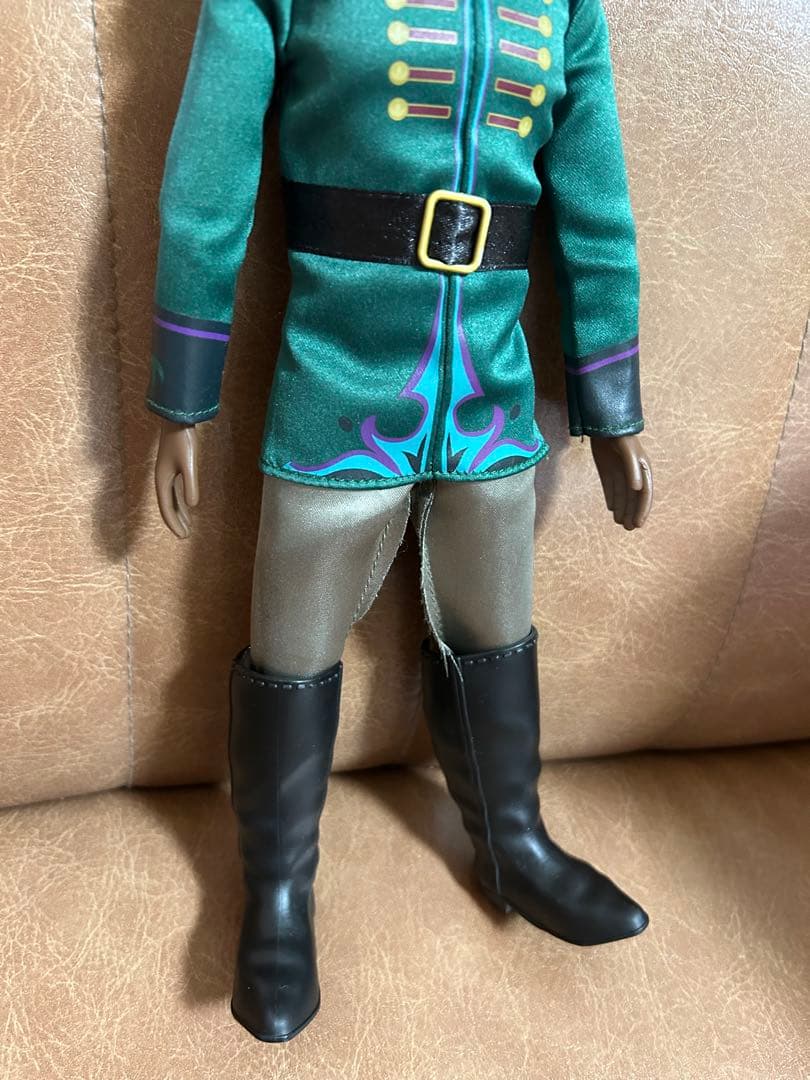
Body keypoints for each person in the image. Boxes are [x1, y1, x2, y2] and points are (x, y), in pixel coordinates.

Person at [147, 0, 654, 1043]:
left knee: (496, 612)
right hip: (338, 379)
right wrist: (182, 395)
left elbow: (596, 196)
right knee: (293, 628)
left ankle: (513, 843)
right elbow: (209, 172)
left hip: (491, 389)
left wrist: (611, 406)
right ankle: (276, 894)